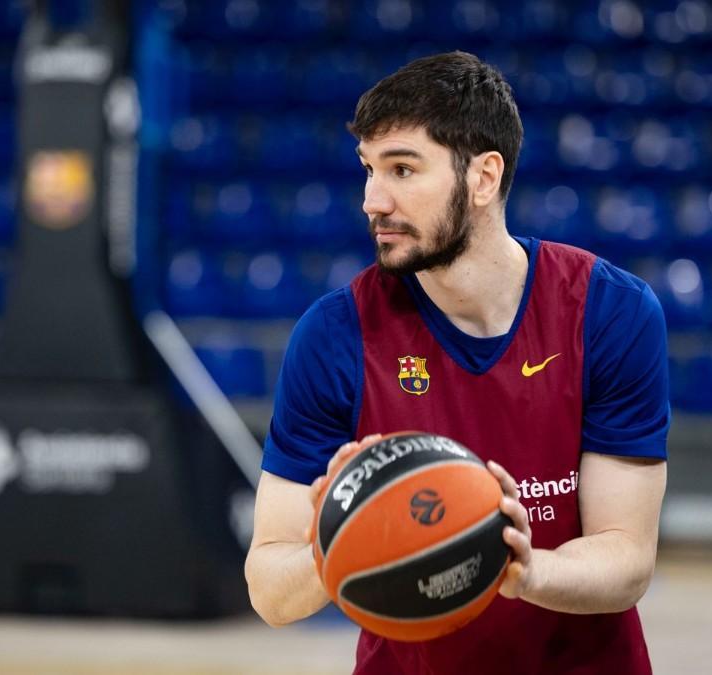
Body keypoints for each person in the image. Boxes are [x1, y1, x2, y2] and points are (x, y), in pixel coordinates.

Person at [244, 50, 669, 674]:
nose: (373, 200)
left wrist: (522, 568)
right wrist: (346, 533)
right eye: (368, 169)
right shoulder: (335, 335)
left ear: (483, 177)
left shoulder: (608, 311)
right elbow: (269, 590)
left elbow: (627, 558)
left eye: (403, 169)